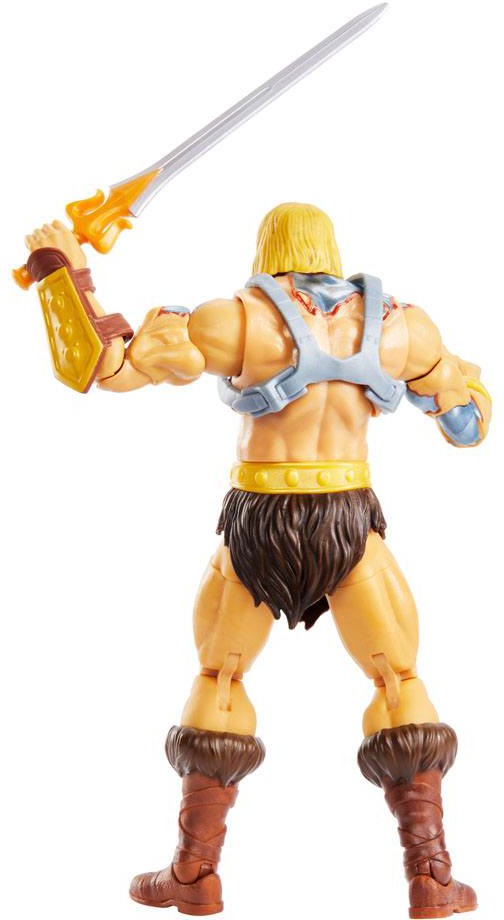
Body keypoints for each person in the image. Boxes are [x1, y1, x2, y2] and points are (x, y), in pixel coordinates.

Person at [25, 202, 491, 918]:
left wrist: (65, 271)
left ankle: (194, 873)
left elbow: (101, 367)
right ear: (331, 251)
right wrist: (459, 384)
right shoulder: (402, 326)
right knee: (397, 678)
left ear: (267, 249)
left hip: (259, 522)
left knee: (220, 675)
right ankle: (431, 877)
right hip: (346, 521)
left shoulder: (237, 320)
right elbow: (467, 428)